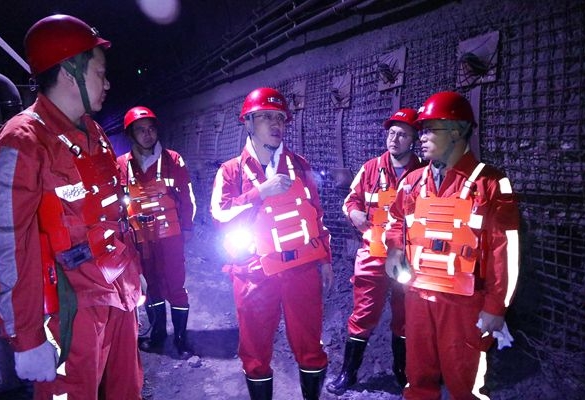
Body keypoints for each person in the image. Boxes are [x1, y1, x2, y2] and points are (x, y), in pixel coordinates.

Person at [0, 14, 143, 399]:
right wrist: (25, 338)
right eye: (99, 72)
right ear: (69, 72)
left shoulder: (94, 133)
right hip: (69, 313)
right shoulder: (22, 142)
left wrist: (132, 273)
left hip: (117, 298)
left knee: (128, 391)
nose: (107, 83)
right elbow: (4, 246)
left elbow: (113, 215)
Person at [385, 91, 520, 399]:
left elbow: (504, 250)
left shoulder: (490, 184)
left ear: (457, 132)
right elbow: (395, 219)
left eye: (430, 129)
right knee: (417, 378)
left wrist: (496, 306)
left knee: (465, 384)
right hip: (418, 294)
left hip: (465, 302)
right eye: (421, 130)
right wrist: (395, 248)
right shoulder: (412, 182)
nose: (421, 137)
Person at [210, 87, 333, 400]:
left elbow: (316, 214)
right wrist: (260, 192)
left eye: (280, 118)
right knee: (255, 350)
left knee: (310, 345)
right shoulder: (231, 171)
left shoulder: (299, 165)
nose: (276, 123)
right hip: (254, 271)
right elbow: (220, 214)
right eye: (266, 117)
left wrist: (325, 259)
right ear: (248, 122)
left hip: (301, 267)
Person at [327, 108, 424, 394]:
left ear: (413, 139)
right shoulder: (371, 168)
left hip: (408, 257)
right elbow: (351, 200)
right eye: (391, 133)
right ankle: (349, 373)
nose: (394, 139)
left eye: (402, 134)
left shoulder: (423, 173)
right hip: (373, 252)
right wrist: (354, 213)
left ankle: (401, 372)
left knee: (405, 315)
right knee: (363, 313)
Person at [117, 106, 196, 358]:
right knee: (151, 286)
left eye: (151, 129)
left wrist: (187, 227)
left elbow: (187, 196)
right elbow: (117, 203)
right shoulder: (121, 165)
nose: (147, 134)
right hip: (140, 237)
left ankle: (181, 340)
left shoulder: (173, 159)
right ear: (131, 134)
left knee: (175, 284)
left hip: (170, 234)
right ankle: (158, 334)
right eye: (141, 130)